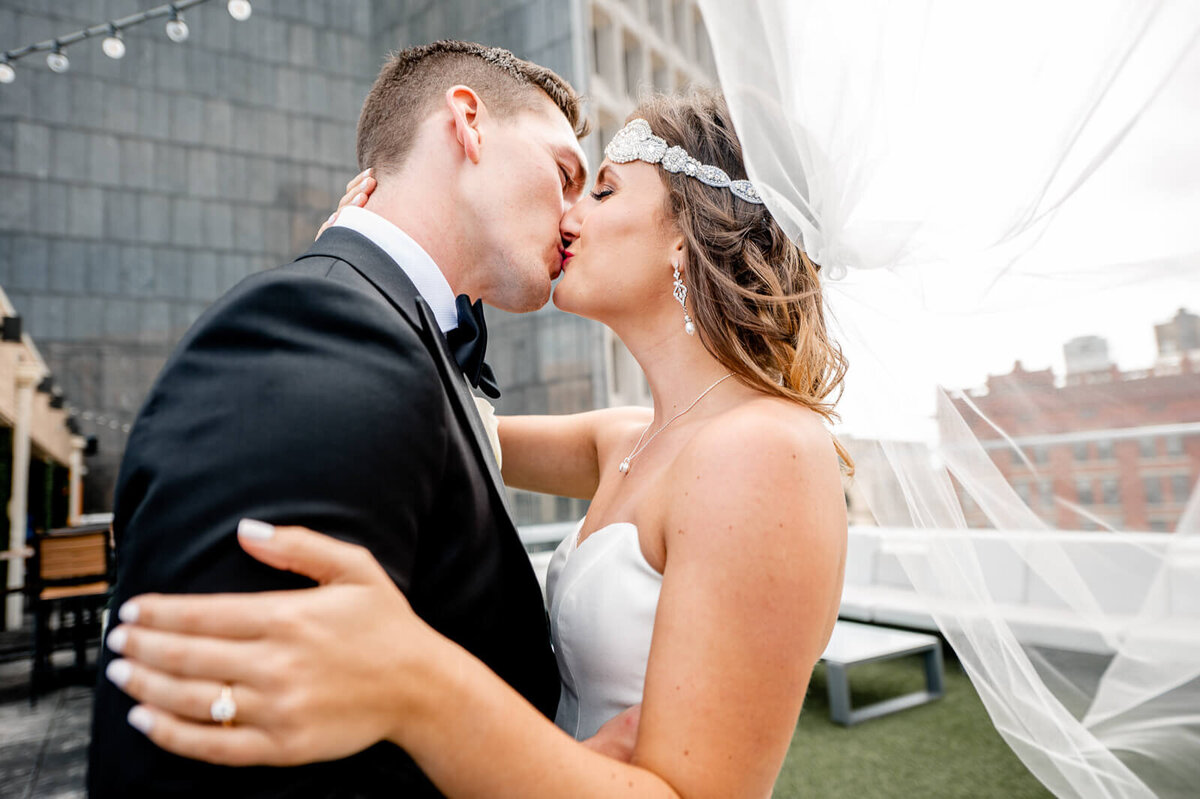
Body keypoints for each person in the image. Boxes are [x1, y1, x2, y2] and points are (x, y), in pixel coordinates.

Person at [100, 88, 850, 797]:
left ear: (685, 238)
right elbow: (437, 419)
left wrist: (416, 685)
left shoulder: (768, 449)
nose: (568, 217)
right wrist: (371, 271)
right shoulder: (625, 437)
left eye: (604, 190)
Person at [86, 40, 632, 797]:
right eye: (566, 174)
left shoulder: (391, 335)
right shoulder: (320, 326)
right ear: (468, 123)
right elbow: (207, 749)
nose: (576, 220)